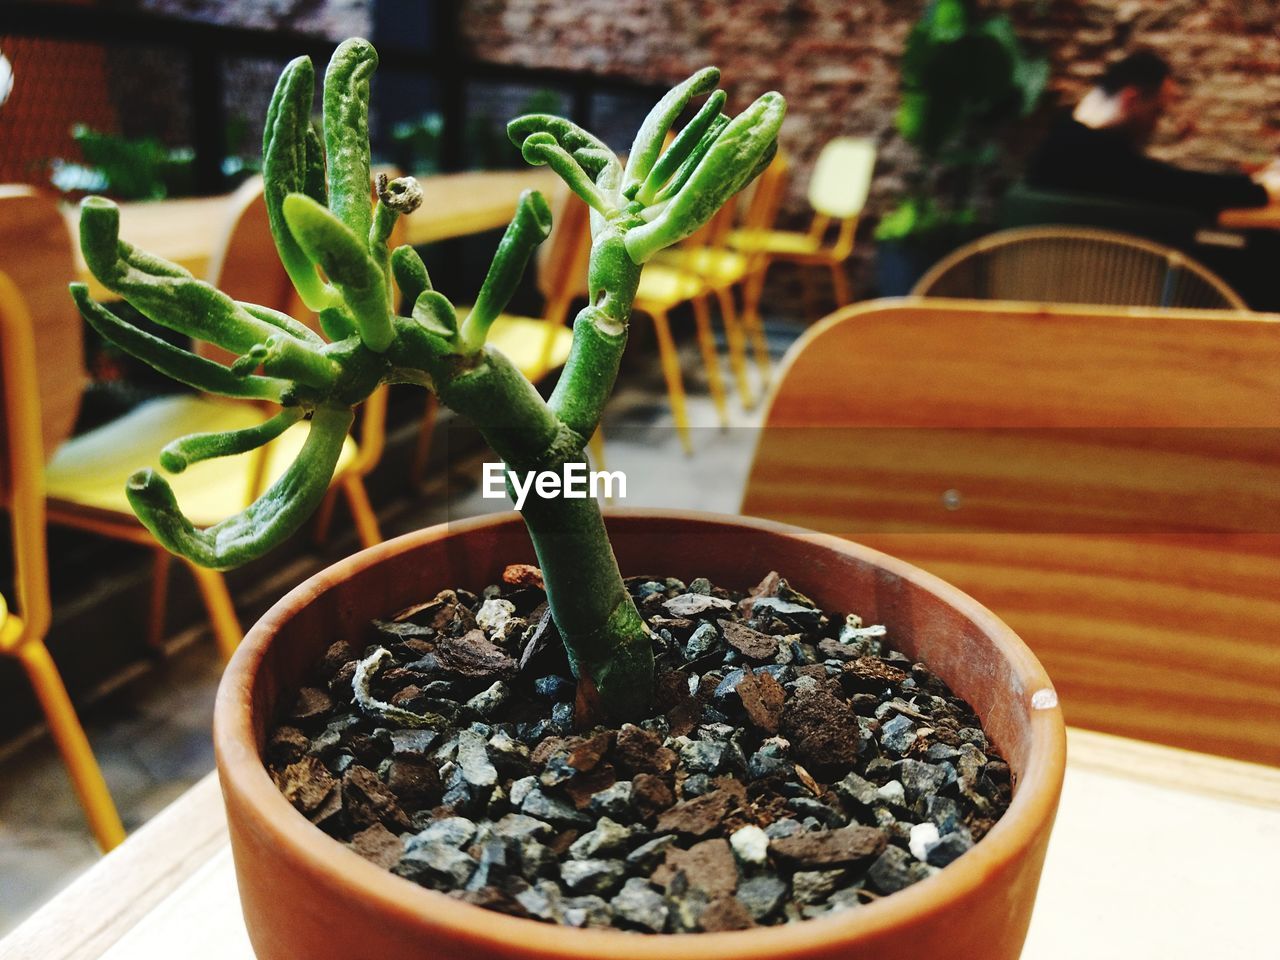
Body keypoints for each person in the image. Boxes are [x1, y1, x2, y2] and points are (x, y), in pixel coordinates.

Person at [1026, 50, 1280, 216]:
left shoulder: (1067, 134)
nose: (1157, 124)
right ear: (1130, 99)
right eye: (1157, 112)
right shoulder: (1080, 152)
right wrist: (1262, 190)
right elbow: (1168, 186)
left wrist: (1251, 179)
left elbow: (1149, 178)